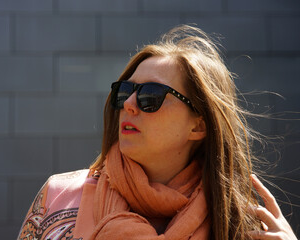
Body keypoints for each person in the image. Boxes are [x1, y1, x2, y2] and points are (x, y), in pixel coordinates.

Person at [17, 25, 298, 240]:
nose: (128, 105)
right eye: (125, 92)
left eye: (150, 96)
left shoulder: (240, 223)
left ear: (198, 126)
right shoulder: (59, 196)